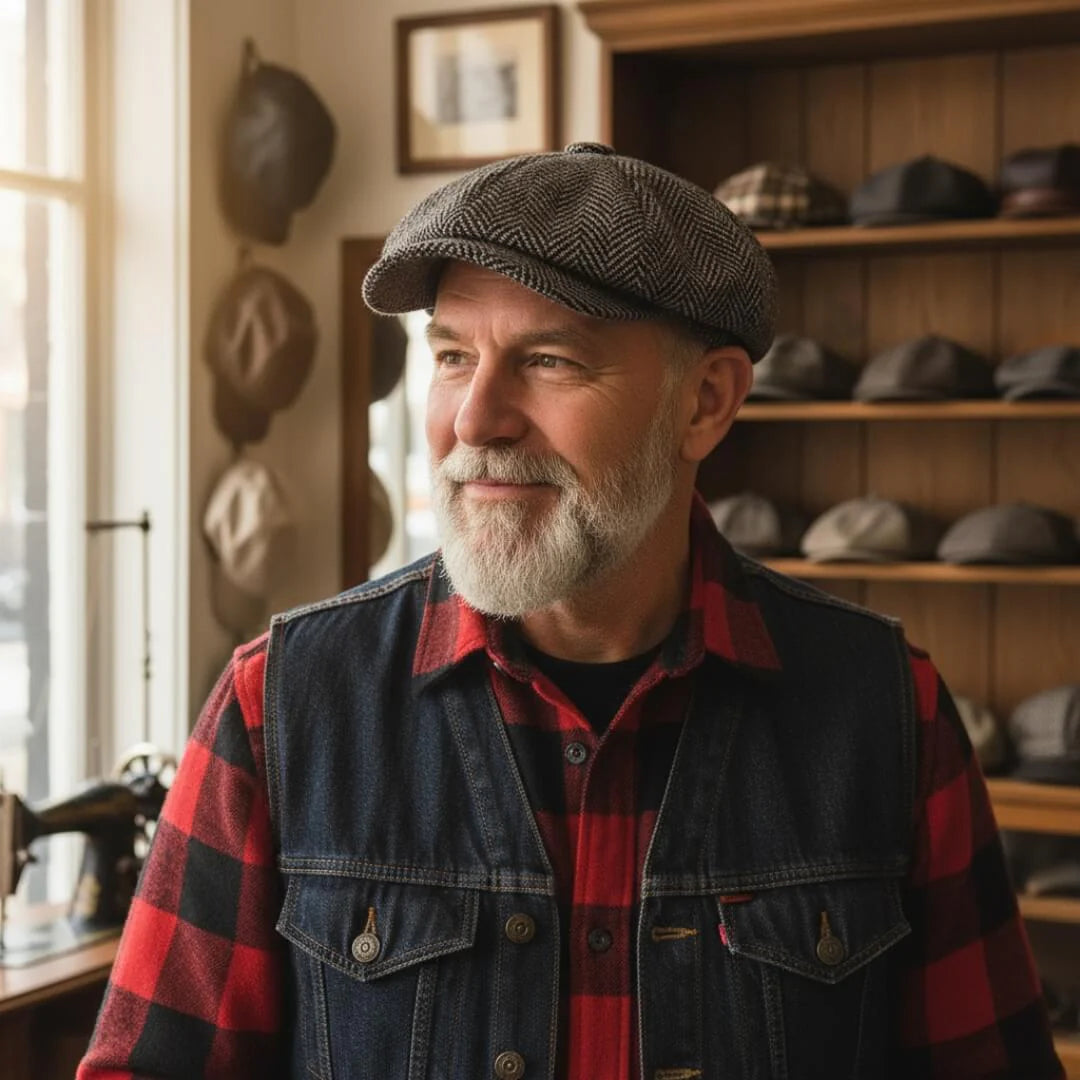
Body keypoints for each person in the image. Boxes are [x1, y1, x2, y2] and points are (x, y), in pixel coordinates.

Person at [78, 142, 1062, 1080]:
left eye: (549, 361)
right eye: (454, 355)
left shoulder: (887, 714)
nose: (475, 420)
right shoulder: (280, 703)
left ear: (706, 404)